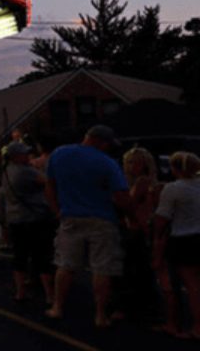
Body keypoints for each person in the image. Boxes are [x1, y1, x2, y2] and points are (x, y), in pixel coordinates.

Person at [44, 125, 131, 328]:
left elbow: (49, 185)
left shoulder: (59, 154)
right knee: (102, 267)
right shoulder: (107, 162)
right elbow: (121, 196)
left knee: (65, 264)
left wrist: (57, 209)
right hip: (102, 219)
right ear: (101, 142)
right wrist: (131, 216)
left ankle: (57, 307)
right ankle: (100, 315)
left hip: (70, 217)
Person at [152, 151, 200, 339]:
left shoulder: (173, 189)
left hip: (183, 238)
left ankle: (192, 326)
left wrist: (156, 239)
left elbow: (162, 218)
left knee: (190, 285)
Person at [0, 141, 55, 303]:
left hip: (16, 219)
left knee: (20, 256)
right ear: (16, 156)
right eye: (24, 153)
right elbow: (47, 181)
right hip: (34, 218)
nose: (28, 155)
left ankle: (20, 292)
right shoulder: (27, 172)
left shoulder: (7, 172)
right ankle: (49, 294)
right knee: (41, 256)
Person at [116, 146, 161, 324]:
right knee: (139, 272)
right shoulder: (145, 182)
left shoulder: (142, 182)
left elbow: (128, 203)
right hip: (137, 230)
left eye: (134, 162)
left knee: (132, 271)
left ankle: (130, 308)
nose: (129, 166)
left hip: (136, 231)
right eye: (128, 162)